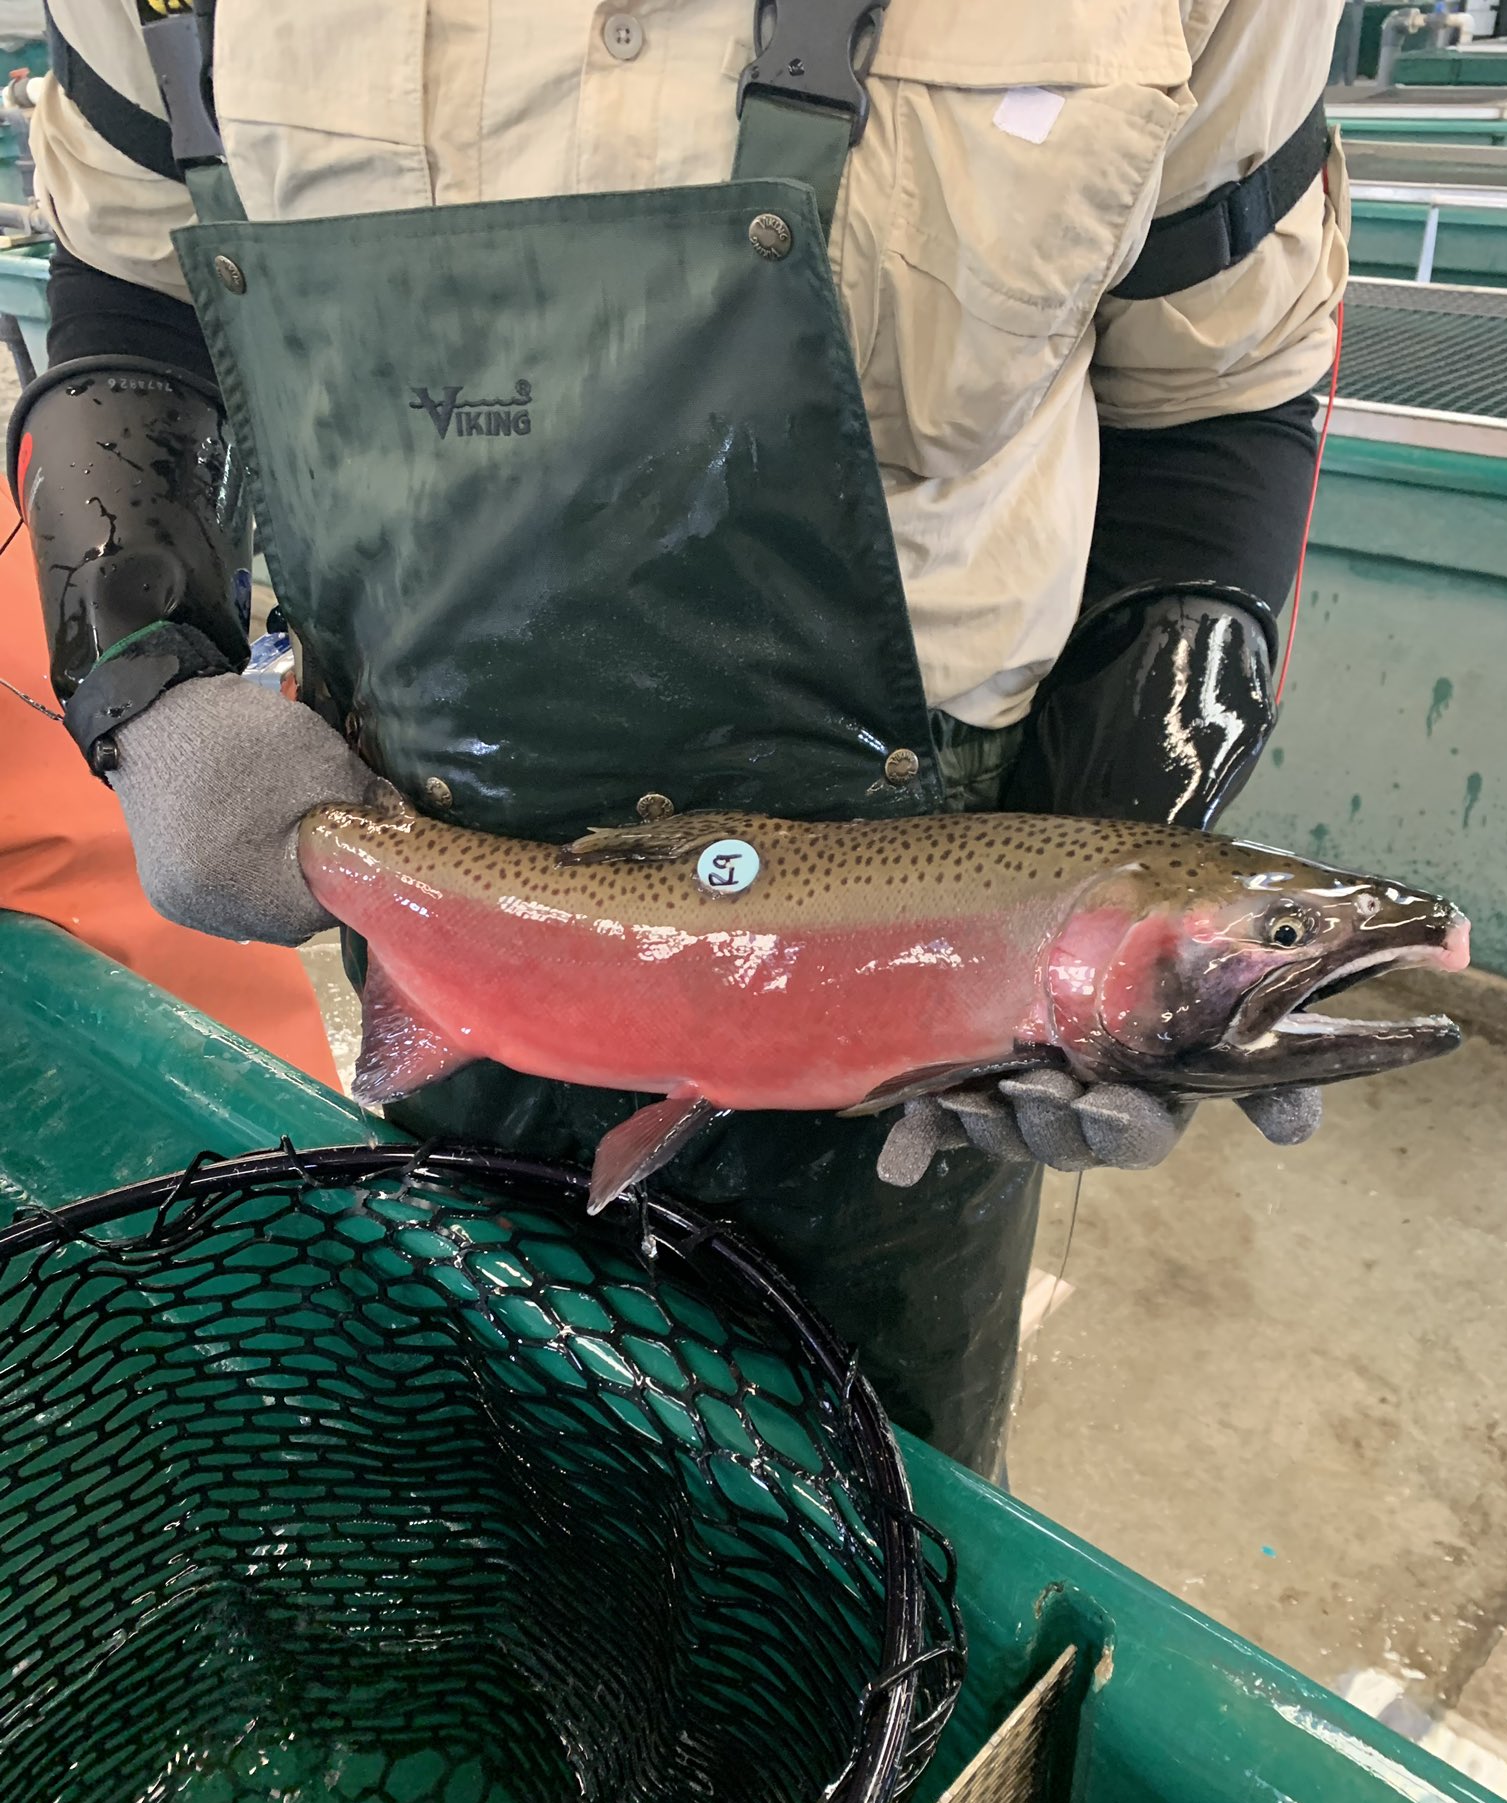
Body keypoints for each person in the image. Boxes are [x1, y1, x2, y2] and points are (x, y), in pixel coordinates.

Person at [9, 0, 1349, 1478]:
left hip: (925, 981)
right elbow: (135, 298)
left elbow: (1219, 397)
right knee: (481, 1480)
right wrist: (148, 680)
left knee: (868, 1534)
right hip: (434, 870)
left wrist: (1098, 892)